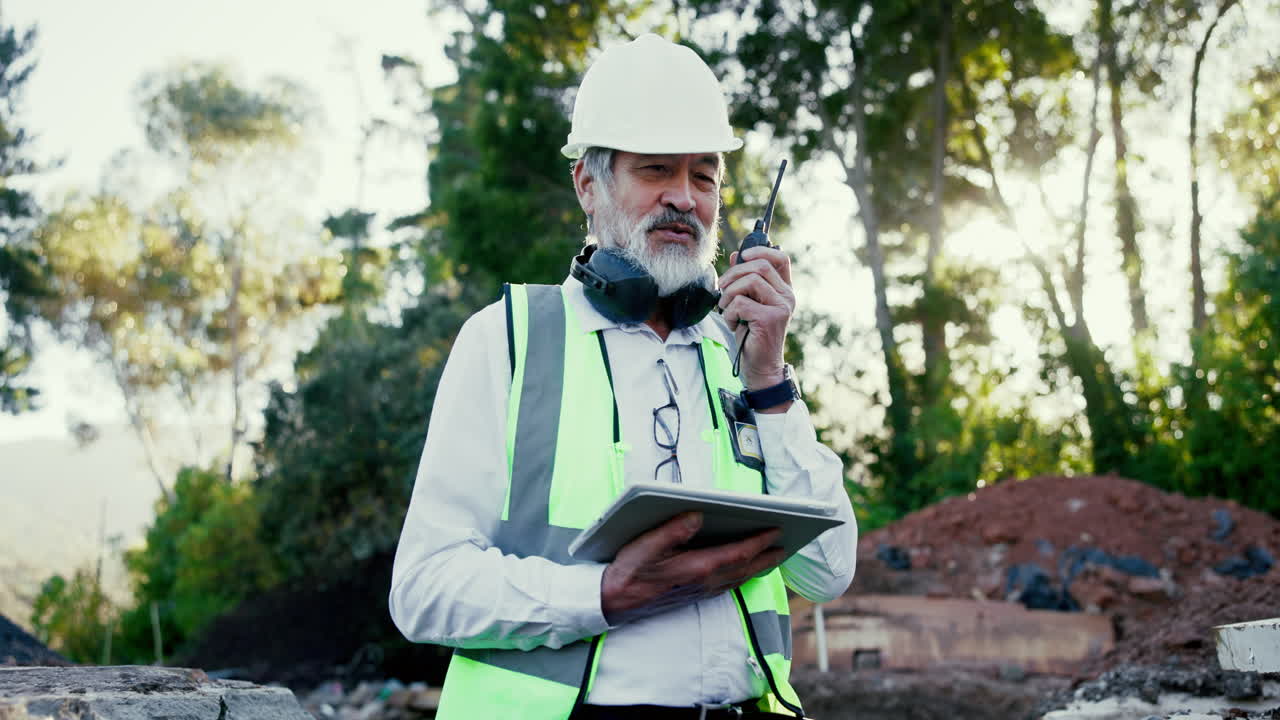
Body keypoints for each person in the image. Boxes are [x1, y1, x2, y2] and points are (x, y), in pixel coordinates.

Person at [389, 34, 857, 720]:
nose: (684, 198)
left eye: (704, 175)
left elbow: (828, 570)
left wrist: (770, 380)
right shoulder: (507, 340)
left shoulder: (743, 352)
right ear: (589, 184)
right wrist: (606, 593)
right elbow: (424, 588)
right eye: (656, 170)